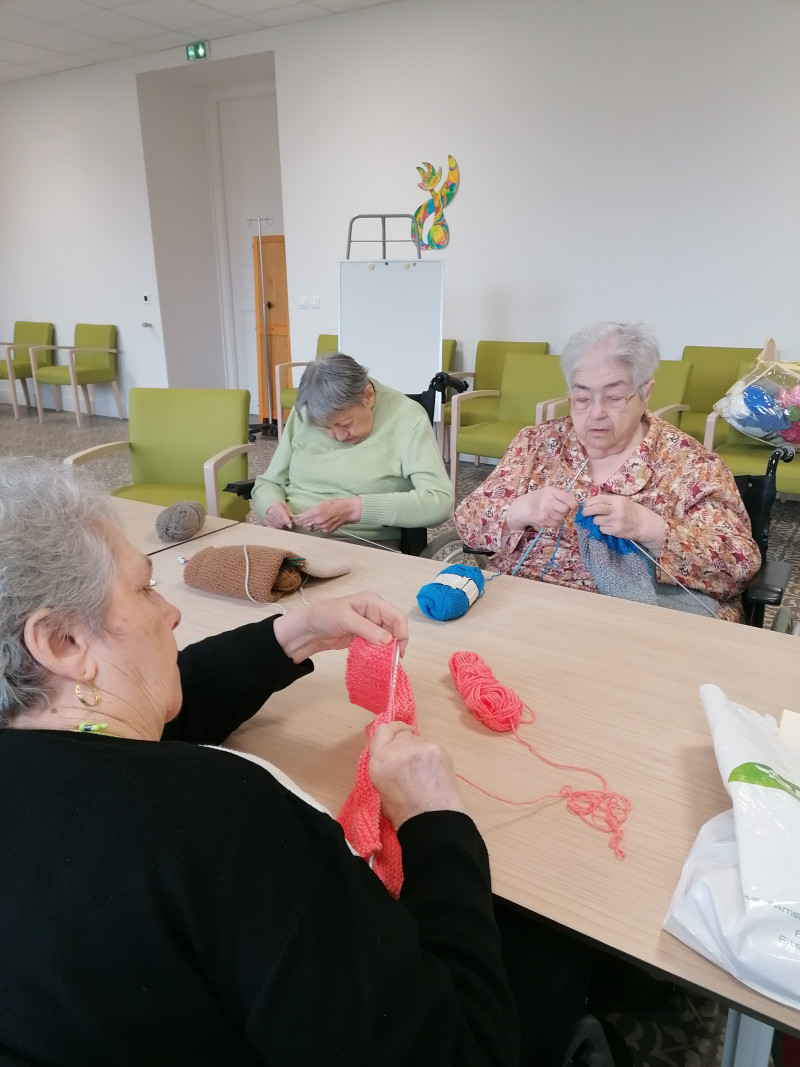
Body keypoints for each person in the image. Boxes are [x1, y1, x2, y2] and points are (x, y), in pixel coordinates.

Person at [0, 457, 518, 1066]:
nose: (171, 613)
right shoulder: (222, 818)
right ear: (62, 642)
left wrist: (293, 635)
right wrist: (435, 820)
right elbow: (457, 1052)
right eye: (143, 589)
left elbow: (116, 735)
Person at [454, 322, 761, 622]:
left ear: (645, 393)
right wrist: (519, 511)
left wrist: (651, 529)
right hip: (523, 610)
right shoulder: (536, 445)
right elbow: (466, 522)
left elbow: (740, 564)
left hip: (632, 623)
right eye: (583, 398)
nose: (596, 413)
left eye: (614, 398)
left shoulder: (690, 465)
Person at [251, 352, 454, 544]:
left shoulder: (408, 418)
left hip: (358, 543)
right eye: (325, 428)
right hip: (289, 537)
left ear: (368, 396)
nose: (337, 436)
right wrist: (269, 506)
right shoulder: (308, 412)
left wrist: (354, 509)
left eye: (345, 424)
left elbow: (439, 502)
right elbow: (268, 482)